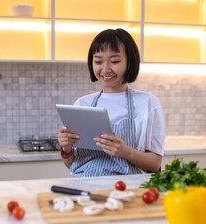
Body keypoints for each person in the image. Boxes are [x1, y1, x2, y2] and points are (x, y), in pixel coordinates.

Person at [57, 28, 165, 177]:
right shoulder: (82, 104)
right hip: (82, 186)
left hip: (127, 188)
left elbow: (155, 165)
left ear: (130, 61)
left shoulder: (148, 104)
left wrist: (125, 152)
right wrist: (66, 148)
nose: (105, 69)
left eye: (114, 61)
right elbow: (73, 165)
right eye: (98, 61)